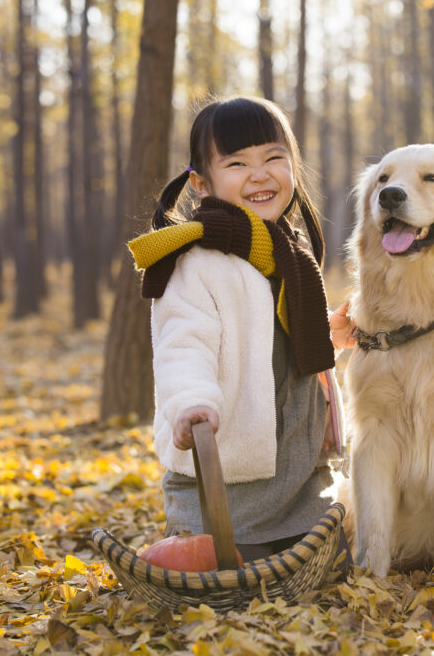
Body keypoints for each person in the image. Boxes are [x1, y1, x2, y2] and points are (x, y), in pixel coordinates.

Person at [128, 96, 350, 562]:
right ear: (201, 183)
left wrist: (331, 336)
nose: (260, 173)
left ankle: (296, 547)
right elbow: (183, 344)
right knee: (233, 568)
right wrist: (191, 402)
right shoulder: (198, 261)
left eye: (274, 157)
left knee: (324, 564)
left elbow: (282, 343)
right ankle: (194, 551)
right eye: (237, 163)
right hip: (230, 477)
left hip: (298, 469)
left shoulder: (288, 253)